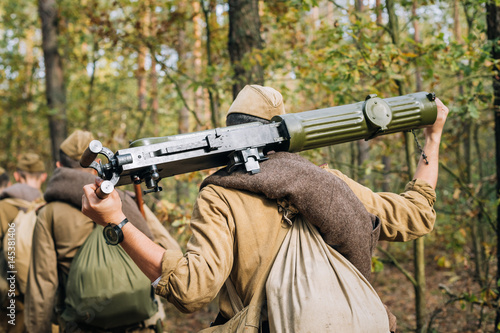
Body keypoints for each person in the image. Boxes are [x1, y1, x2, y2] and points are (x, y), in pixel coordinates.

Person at [82, 85, 449, 332]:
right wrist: (432, 139)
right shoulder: (326, 182)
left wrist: (117, 221)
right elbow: (417, 215)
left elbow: (191, 291)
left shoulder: (222, 195)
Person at [24, 130, 181, 333]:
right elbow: (170, 251)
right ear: (96, 162)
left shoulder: (50, 214)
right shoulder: (126, 201)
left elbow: (42, 287)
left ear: (59, 165)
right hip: (141, 326)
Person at [0, 153, 47, 333]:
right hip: (41, 295)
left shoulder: (3, 207)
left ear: (17, 177)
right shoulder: (47, 205)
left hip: (10, 296)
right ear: (43, 176)